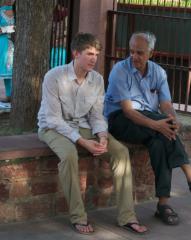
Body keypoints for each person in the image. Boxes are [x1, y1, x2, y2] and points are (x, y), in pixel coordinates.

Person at [37, 33, 147, 235]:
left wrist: (103, 136)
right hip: (52, 127)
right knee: (69, 155)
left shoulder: (96, 79)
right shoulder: (54, 76)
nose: (93, 59)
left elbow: (97, 115)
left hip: (83, 125)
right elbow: (53, 119)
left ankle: (127, 216)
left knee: (120, 152)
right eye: (89, 53)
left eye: (96, 54)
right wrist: (83, 142)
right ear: (76, 54)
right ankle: (78, 216)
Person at [104, 31, 191, 226]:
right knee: (162, 129)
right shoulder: (119, 71)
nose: (134, 56)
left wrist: (172, 119)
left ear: (151, 53)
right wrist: (159, 124)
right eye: (131, 52)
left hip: (149, 123)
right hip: (120, 120)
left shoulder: (158, 72)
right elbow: (129, 112)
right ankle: (190, 174)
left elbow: (165, 104)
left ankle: (163, 204)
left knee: (159, 142)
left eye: (139, 52)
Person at [0, 0, 15, 105]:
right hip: (5, 43)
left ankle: (10, 95)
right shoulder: (2, 11)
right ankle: (9, 95)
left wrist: (4, 29)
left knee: (8, 71)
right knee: (5, 70)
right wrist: (10, 29)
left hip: (8, 43)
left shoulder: (17, 12)